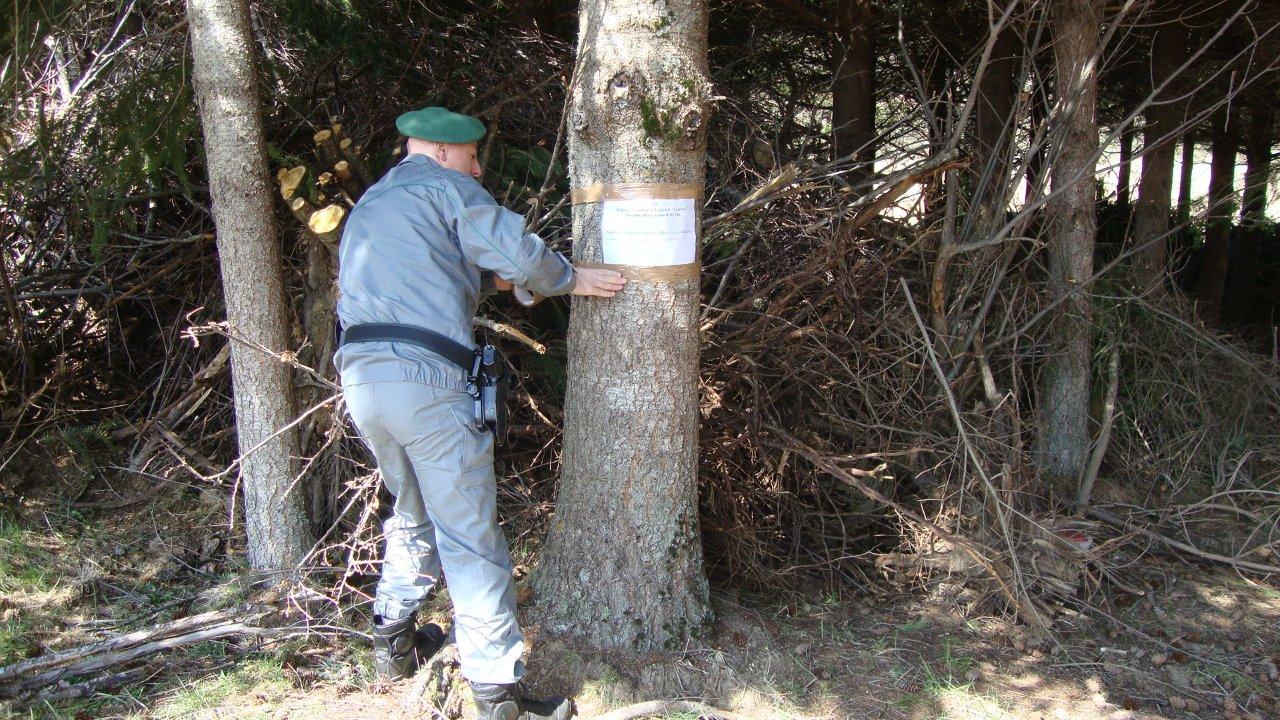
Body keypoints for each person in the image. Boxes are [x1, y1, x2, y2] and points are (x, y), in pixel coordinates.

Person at [334, 106, 625, 720]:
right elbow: (513, 251)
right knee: (469, 534)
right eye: (471, 157)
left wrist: (509, 283)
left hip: (362, 380)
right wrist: (570, 278)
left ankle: (393, 639)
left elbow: (436, 273)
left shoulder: (375, 201)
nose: (477, 168)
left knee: (411, 504)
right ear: (442, 152)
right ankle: (497, 693)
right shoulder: (448, 188)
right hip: (426, 382)